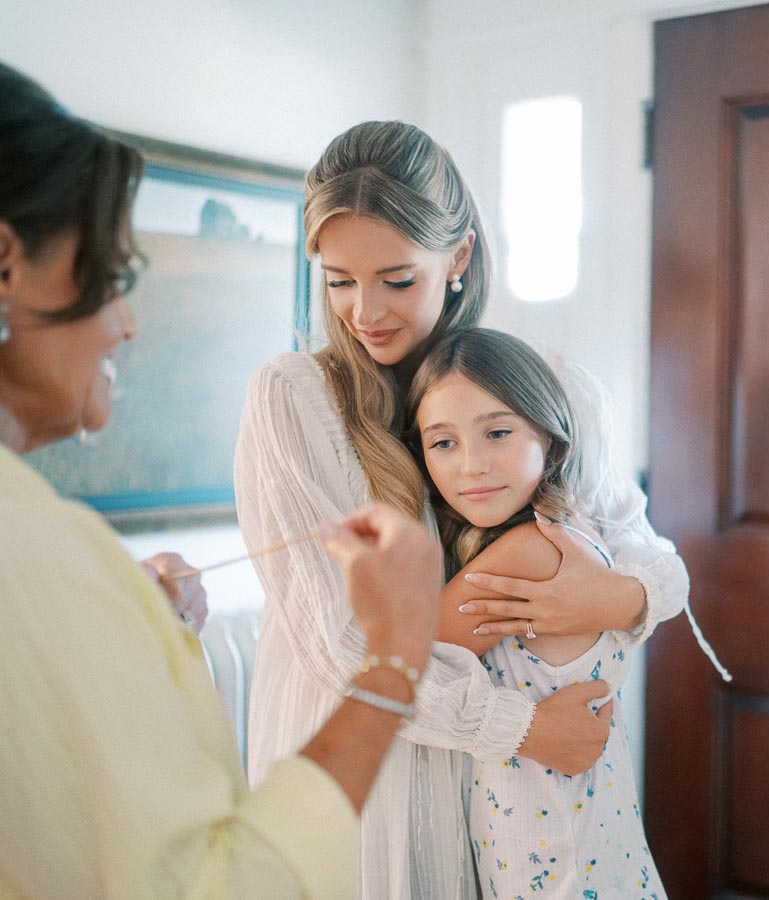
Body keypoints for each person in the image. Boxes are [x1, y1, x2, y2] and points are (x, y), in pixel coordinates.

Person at [0, 62, 444, 897]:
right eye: (113, 277)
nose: (126, 324)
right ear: (5, 267)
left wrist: (122, 611)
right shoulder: (34, 556)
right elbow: (217, 883)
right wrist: (393, 661)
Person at [235, 120, 691, 898]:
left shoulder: (549, 388)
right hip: (368, 762)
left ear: (460, 258)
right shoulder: (295, 399)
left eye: (396, 278)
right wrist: (526, 729)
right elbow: (338, 646)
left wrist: (614, 595)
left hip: (498, 783)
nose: (363, 311)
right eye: (338, 279)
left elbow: (656, 558)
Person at [406, 326, 666, 896]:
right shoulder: (574, 534)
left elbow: (396, 674)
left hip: (549, 858)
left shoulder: (527, 553)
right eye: (442, 442)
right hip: (591, 838)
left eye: (497, 432)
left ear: (548, 435)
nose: (471, 465)